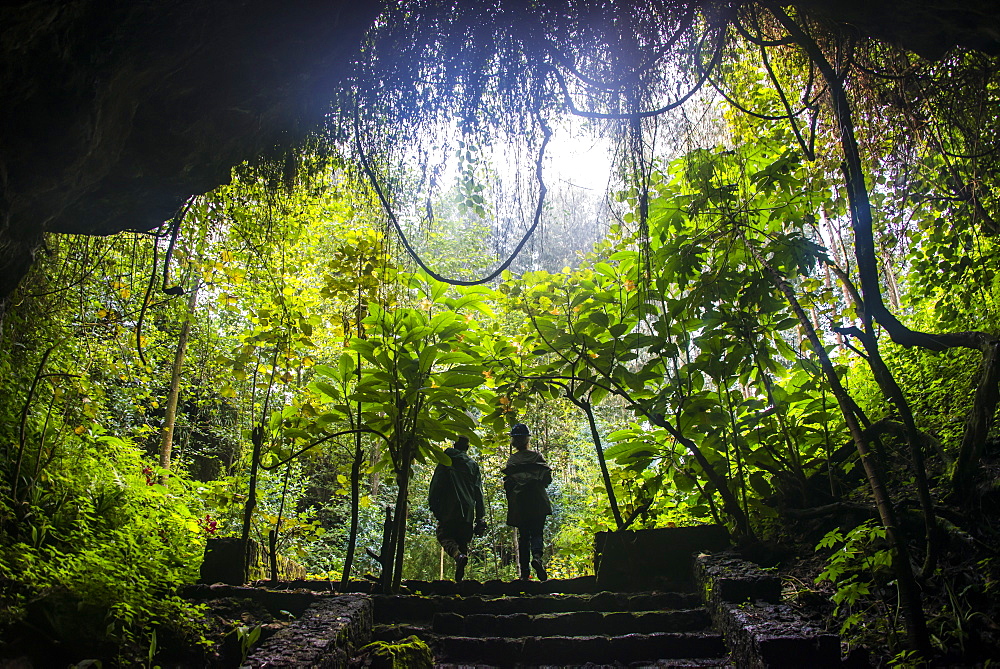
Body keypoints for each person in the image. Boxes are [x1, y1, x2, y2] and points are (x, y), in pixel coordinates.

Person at [428, 435, 486, 581]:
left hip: (449, 507)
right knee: (462, 541)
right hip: (467, 510)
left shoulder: (446, 461)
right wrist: (480, 516)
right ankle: (459, 583)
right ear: (467, 448)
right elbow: (478, 492)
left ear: (455, 445)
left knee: (445, 536)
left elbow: (436, 485)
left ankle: (457, 556)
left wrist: (434, 506)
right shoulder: (472, 465)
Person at [502, 423, 552, 581]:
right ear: (527, 439)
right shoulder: (537, 457)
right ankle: (537, 557)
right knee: (537, 532)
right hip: (538, 500)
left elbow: (508, 484)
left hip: (520, 503)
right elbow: (547, 479)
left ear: (514, 441)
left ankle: (525, 573)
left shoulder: (512, 460)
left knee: (524, 536)